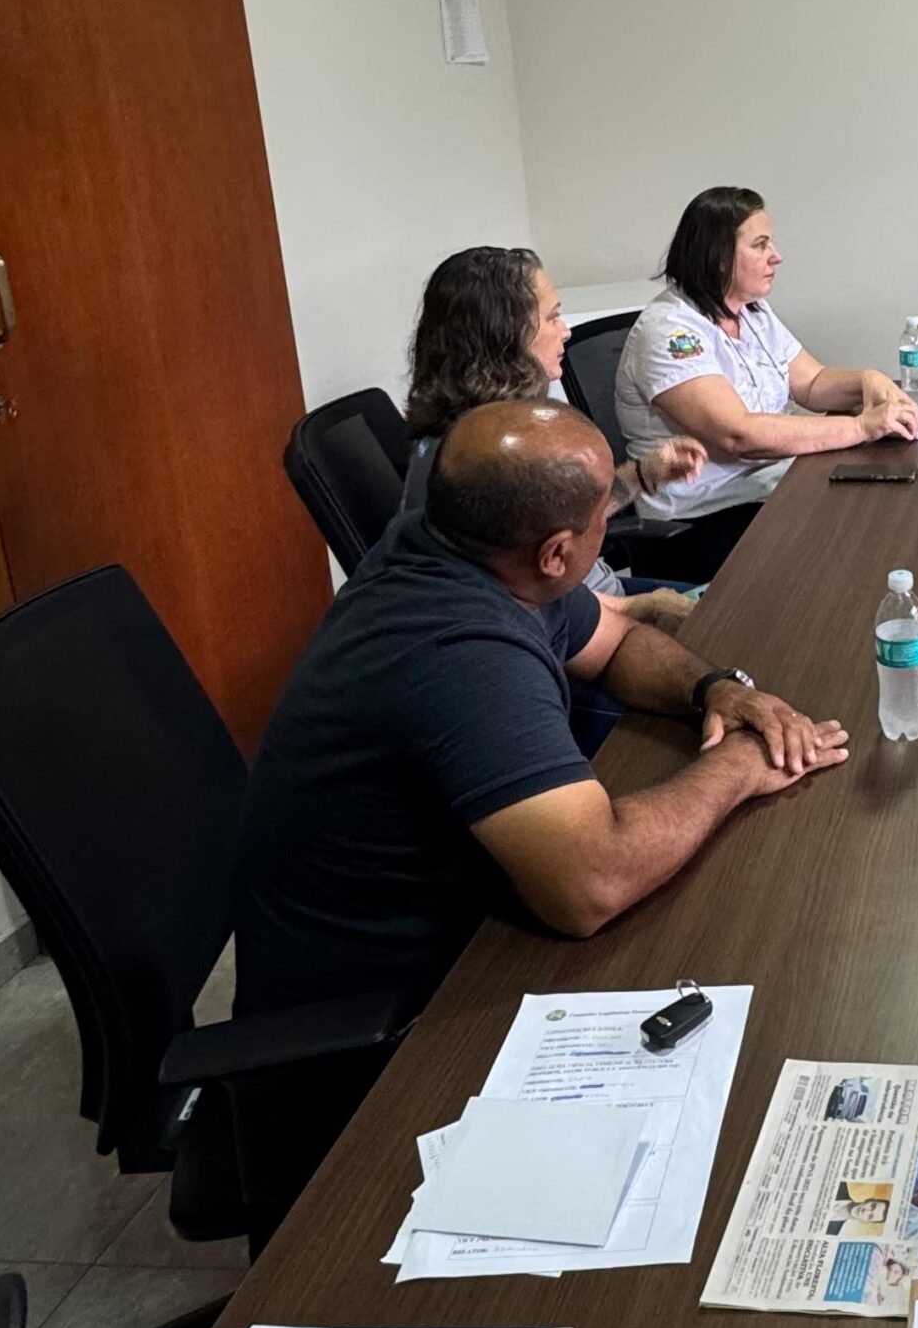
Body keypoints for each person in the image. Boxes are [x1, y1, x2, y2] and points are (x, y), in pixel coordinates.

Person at [236, 400, 846, 1020]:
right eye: (602, 513)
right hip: (393, 1017)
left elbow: (615, 645)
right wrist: (740, 766)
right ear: (556, 554)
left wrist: (715, 689)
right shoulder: (461, 654)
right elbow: (591, 886)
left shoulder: (468, 547)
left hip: (463, 917)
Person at [615, 187, 918, 584]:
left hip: (765, 487)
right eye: (760, 245)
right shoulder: (670, 332)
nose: (776, 256)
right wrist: (862, 426)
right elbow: (739, 434)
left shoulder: (752, 313)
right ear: (718, 254)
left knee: (880, 508)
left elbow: (812, 383)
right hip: (703, 518)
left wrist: (870, 380)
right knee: (857, 539)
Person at [400, 245, 706, 634]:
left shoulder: (491, 426)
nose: (567, 331)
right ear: (507, 335)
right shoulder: (485, 457)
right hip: (577, 633)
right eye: (553, 317)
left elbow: (559, 516)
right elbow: (532, 607)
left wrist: (643, 475)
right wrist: (643, 607)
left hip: (597, 601)